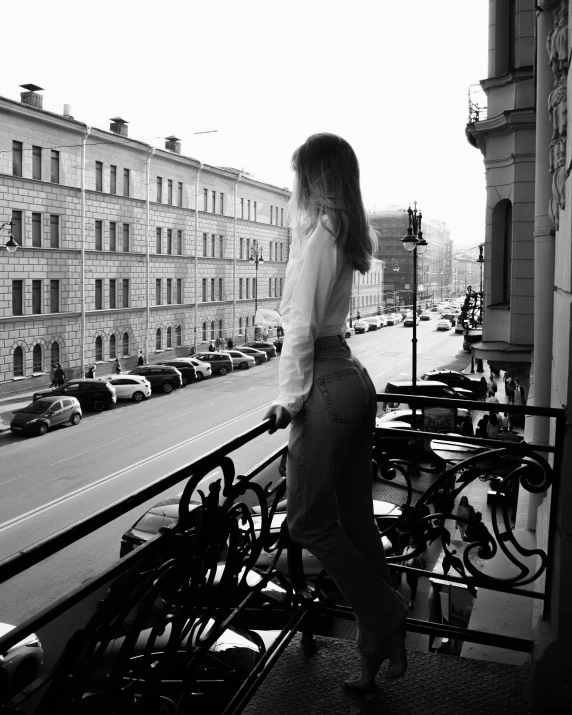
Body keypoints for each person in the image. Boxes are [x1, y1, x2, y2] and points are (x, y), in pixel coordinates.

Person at [263, 134, 407, 691]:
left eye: (298, 172)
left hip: (324, 383)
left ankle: (386, 614)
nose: (293, 182)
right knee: (355, 521)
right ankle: (377, 656)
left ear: (315, 177)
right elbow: (308, 317)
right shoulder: (340, 232)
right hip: (351, 377)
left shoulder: (322, 233)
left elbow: (302, 326)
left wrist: (290, 398)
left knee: (307, 522)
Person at [402, 536, 426, 608]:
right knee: (409, 581)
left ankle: (411, 600)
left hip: (414, 569)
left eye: (412, 541)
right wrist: (402, 564)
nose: (411, 543)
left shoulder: (416, 550)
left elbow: (421, 559)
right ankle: (413, 590)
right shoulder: (406, 548)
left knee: (414, 585)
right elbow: (403, 557)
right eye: (410, 541)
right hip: (408, 568)